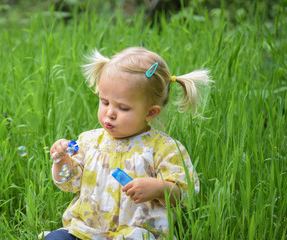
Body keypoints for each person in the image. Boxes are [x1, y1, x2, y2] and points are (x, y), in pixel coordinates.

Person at [39, 47, 212, 240]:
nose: (110, 113)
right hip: (87, 230)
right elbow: (70, 182)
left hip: (136, 233)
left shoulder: (164, 148)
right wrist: (62, 160)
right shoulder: (89, 141)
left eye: (122, 107)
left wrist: (157, 187)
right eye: (104, 102)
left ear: (151, 112)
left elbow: (184, 195)